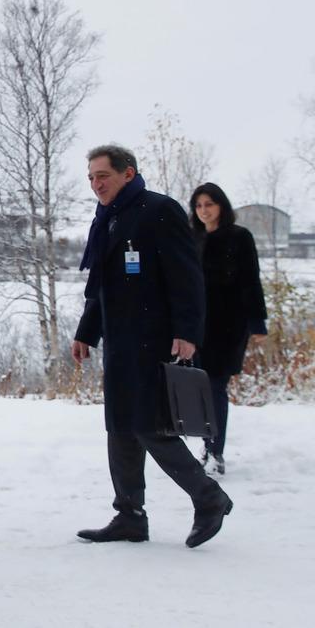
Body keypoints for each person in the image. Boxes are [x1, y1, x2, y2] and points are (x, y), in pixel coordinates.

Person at [72, 145, 232, 549]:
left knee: (147, 425)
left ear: (128, 174)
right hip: (119, 340)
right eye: (91, 177)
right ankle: (129, 515)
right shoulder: (107, 217)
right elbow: (101, 285)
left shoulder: (159, 210)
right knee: (119, 427)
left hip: (153, 336)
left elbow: (187, 275)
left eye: (103, 175)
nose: (96, 184)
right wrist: (86, 332)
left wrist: (188, 331)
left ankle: (209, 498)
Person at [189, 182, 267, 475]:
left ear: (221, 205)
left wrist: (258, 322)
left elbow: (251, 280)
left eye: (209, 204)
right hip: (197, 325)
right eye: (198, 205)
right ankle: (207, 446)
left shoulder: (239, 237)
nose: (204, 210)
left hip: (230, 324)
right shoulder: (192, 238)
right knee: (200, 386)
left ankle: (215, 452)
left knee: (216, 385)